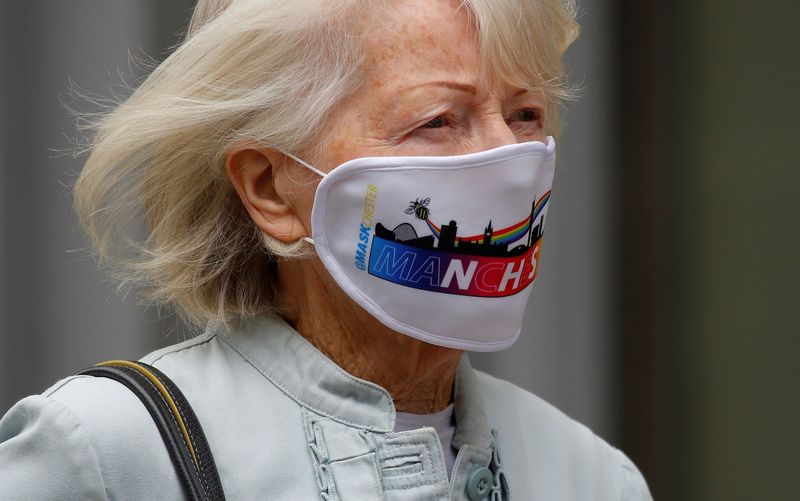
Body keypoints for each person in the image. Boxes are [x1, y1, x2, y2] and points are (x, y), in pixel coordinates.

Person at [0, 0, 652, 499]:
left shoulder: (590, 476)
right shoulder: (106, 454)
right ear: (270, 190)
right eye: (437, 120)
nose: (504, 158)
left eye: (525, 115)